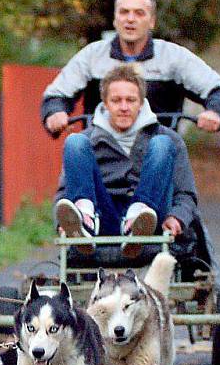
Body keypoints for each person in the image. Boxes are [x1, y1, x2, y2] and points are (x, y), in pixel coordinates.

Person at [53, 63, 197, 259]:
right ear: (104, 103)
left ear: (141, 102)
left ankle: (138, 217)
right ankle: (84, 218)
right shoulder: (87, 142)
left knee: (162, 143)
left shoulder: (170, 140)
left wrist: (177, 217)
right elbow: (64, 191)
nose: (123, 107)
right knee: (74, 141)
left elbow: (186, 194)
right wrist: (62, 220)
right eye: (116, 100)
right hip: (103, 216)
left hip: (150, 219)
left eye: (130, 100)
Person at [42, 0, 220, 136]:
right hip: (102, 151)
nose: (130, 19)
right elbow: (57, 94)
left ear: (152, 21)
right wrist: (55, 113)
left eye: (139, 13)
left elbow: (216, 89)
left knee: (171, 163)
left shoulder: (173, 57)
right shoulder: (92, 56)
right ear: (115, 20)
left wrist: (215, 112)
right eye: (124, 12)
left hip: (157, 150)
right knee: (75, 150)